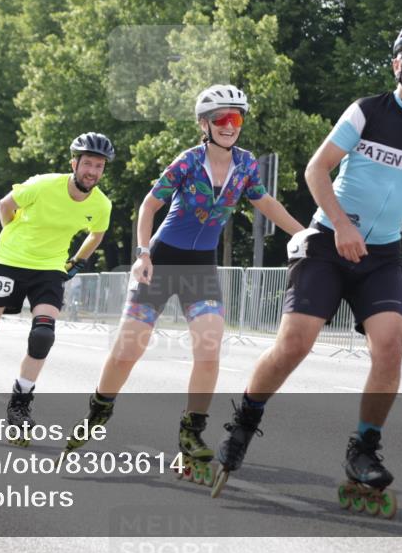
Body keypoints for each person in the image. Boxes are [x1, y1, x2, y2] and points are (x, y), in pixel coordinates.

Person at [212, 23, 402, 507]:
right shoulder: (366, 111)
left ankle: (363, 449)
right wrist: (341, 224)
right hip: (330, 243)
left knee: (391, 343)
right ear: (397, 63)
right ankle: (244, 423)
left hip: (383, 255)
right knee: (295, 344)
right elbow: (316, 168)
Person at [65, 85, 305, 483]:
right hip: (162, 261)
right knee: (129, 349)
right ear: (204, 124)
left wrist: (305, 236)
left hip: (200, 267)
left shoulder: (246, 166)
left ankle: (191, 434)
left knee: (209, 349)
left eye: (237, 119)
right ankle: (98, 410)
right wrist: (143, 252)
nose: (230, 126)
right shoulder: (188, 161)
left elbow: (267, 204)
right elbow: (149, 205)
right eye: (222, 119)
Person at [0, 132, 116, 440]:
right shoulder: (43, 185)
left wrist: (78, 262)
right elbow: (6, 204)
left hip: (49, 269)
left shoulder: (100, 205)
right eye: (87, 164)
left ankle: (20, 403)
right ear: (74, 163)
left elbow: (96, 234)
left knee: (43, 335)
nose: (92, 172)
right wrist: (13, 237)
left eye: (99, 166)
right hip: (10, 262)